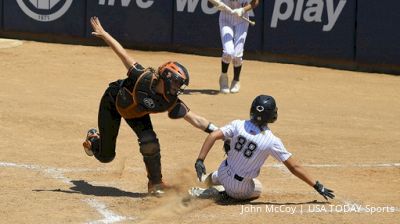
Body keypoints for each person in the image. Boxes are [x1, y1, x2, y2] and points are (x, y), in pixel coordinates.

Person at [82, 17, 219, 195]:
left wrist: (220, 132)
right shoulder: (141, 77)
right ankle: (93, 139)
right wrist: (104, 34)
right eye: (177, 84)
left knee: (150, 142)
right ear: (167, 79)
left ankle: (155, 184)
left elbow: (194, 118)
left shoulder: (169, 99)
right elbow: (122, 53)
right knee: (107, 156)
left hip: (137, 113)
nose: (178, 89)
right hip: (114, 102)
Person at [194, 95, 335, 200]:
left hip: (223, 170)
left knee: (219, 174)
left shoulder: (238, 124)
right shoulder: (272, 141)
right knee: (258, 187)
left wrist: (200, 160)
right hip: (239, 188)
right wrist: (316, 185)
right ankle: (218, 192)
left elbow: (212, 135)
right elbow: (294, 167)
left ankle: (208, 181)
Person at [217, 0, 260, 94]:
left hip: (242, 19)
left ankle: (236, 80)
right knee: (228, 52)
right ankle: (223, 77)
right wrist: (216, 4)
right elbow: (209, 2)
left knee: (237, 54)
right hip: (225, 18)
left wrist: (243, 10)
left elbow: (256, 2)